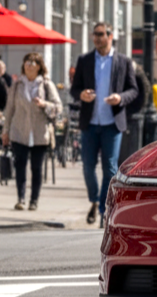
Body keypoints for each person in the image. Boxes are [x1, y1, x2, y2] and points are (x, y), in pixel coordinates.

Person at [70, 22, 139, 226]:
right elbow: (75, 90)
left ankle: (103, 209)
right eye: (95, 34)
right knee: (88, 166)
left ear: (110, 36)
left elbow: (133, 90)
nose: (97, 38)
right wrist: (80, 94)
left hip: (112, 123)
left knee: (109, 168)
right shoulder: (84, 60)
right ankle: (94, 200)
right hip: (90, 123)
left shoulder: (123, 61)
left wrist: (120, 97)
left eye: (101, 34)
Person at [2, 54, 61, 211]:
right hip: (19, 131)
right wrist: (5, 131)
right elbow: (9, 110)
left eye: (33, 62)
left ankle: (34, 200)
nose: (29, 65)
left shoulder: (46, 84)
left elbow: (58, 107)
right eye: (27, 62)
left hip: (39, 132)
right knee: (20, 165)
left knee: (36, 168)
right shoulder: (17, 84)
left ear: (39, 66)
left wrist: (44, 104)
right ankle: (21, 198)